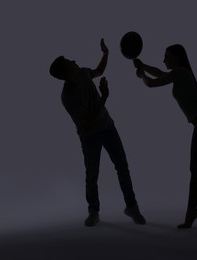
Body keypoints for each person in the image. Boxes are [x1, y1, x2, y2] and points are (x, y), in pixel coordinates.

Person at [49, 39, 146, 227]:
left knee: (122, 168)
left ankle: (132, 207)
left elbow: (99, 71)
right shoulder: (67, 97)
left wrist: (106, 54)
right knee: (92, 174)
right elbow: (88, 121)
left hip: (108, 127)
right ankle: (93, 211)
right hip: (90, 136)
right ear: (65, 71)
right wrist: (104, 97)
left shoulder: (84, 73)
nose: (74, 60)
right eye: (69, 60)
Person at [133, 44, 197, 231]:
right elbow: (159, 72)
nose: (164, 60)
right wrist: (143, 66)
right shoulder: (178, 73)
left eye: (167, 56)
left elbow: (151, 83)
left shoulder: (181, 72)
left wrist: (141, 74)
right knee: (195, 169)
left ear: (177, 58)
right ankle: (192, 212)